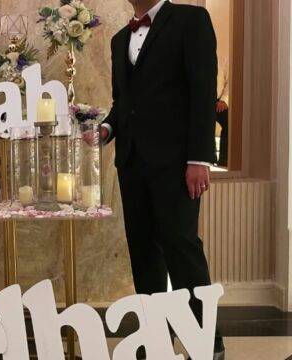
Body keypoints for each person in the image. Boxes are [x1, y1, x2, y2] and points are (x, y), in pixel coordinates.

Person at [101, 0, 225, 359]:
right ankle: (155, 339)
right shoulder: (118, 39)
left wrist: (199, 158)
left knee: (181, 248)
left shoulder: (191, 20)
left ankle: (209, 343)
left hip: (177, 163)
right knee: (143, 252)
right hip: (132, 162)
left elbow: (204, 91)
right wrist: (108, 128)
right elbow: (124, 102)